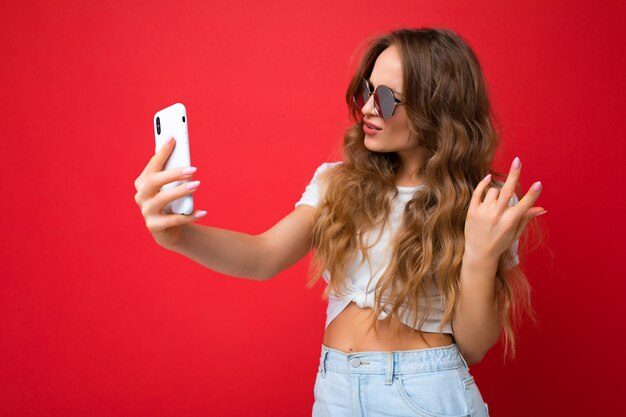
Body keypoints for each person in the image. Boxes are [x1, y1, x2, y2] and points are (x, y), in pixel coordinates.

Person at [134, 27, 546, 417]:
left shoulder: (482, 202)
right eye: (367, 90)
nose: (367, 107)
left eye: (386, 98)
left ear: (437, 109)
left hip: (425, 392)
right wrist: (177, 235)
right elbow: (262, 256)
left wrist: (478, 252)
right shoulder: (337, 181)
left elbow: (474, 347)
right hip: (335, 391)